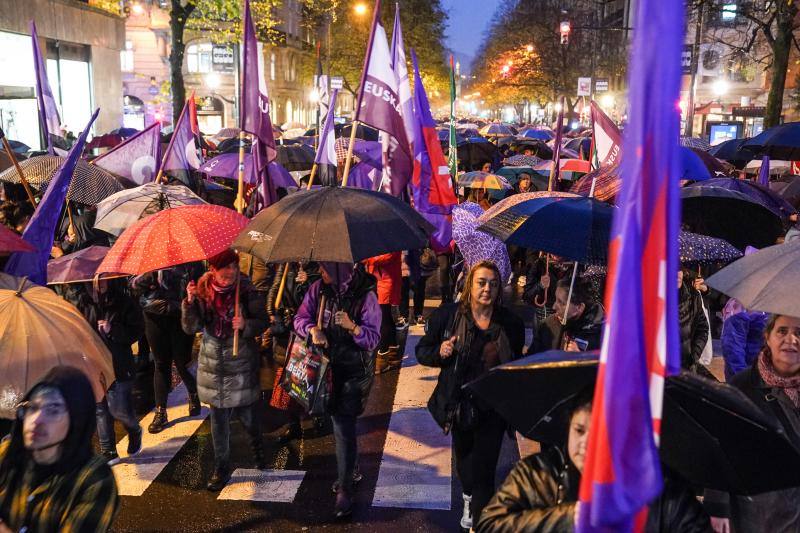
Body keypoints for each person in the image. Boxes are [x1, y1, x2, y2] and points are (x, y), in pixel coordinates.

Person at [477, 388, 712, 532]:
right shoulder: (536, 473)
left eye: (600, 433)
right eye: (579, 430)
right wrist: (570, 518)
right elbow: (489, 524)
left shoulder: (663, 490)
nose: (586, 443)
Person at [416, 260, 525, 530]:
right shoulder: (448, 316)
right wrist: (440, 353)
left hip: (494, 407)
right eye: (481, 282)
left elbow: (516, 360)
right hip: (459, 405)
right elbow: (422, 350)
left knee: (485, 472)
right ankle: (468, 496)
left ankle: (479, 521)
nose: (487, 288)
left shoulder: (510, 323)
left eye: (493, 284)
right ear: (469, 285)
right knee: (465, 465)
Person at [294, 262, 381, 519]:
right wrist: (313, 330)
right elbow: (300, 318)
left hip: (354, 371)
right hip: (328, 370)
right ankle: (351, 469)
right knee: (340, 424)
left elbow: (373, 339)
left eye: (325, 268)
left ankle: (344, 489)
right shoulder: (319, 290)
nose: (320, 272)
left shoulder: (367, 296)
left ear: (342, 269)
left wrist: (353, 327)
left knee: (343, 425)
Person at [181, 249, 269, 491]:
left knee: (248, 417)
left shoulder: (247, 289)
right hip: (213, 365)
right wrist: (189, 303)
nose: (230, 272)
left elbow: (263, 322)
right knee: (218, 420)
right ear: (212, 268)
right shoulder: (201, 290)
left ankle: (258, 448)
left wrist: (246, 325)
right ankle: (222, 467)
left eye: (233, 266)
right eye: (224, 267)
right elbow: (192, 328)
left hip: (240, 364)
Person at [706, 314, 800, 533]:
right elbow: (720, 447)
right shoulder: (742, 386)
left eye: (798, 333)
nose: (791, 339)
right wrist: (717, 507)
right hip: (756, 513)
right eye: (782, 331)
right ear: (767, 337)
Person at [0, 366, 119, 532]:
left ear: (77, 418)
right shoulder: (7, 453)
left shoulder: (95, 479)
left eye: (53, 410)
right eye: (32, 407)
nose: (36, 420)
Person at [76, 278, 144, 465]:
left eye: (103, 278)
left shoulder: (123, 301)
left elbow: (136, 331)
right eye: (95, 280)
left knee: (118, 409)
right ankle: (108, 451)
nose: (100, 283)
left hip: (119, 365)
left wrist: (112, 329)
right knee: (101, 409)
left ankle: (134, 429)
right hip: (95, 365)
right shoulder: (84, 302)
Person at [131, 263, 202, 433]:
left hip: (180, 315)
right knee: (161, 364)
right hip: (153, 315)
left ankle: (193, 393)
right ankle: (161, 412)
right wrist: (149, 275)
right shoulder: (147, 260)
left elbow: (201, 287)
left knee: (182, 362)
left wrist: (193, 295)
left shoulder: (191, 261)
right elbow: (132, 286)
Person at [265, 261, 322, 444]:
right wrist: (271, 311)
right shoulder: (287, 264)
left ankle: (317, 415)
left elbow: (323, 296)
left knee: (312, 376)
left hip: (309, 329)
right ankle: (293, 424)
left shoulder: (318, 267)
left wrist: (309, 281)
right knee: (289, 379)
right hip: (288, 329)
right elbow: (276, 286)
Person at [532, 277, 604, 354]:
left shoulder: (602, 334)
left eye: (561, 303)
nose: (554, 307)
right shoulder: (547, 325)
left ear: (579, 307)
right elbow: (530, 358)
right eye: (556, 299)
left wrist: (581, 359)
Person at [365, 252, 403, 373]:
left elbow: (388, 256)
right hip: (379, 279)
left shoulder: (392, 237)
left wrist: (368, 258)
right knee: (386, 316)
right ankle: (392, 350)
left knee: (382, 318)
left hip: (385, 281)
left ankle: (382, 359)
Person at [721, 309, 768, 381]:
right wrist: (743, 378)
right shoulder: (739, 309)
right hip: (748, 375)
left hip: (766, 375)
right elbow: (732, 349)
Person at [678, 270, 710, 373]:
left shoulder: (693, 296)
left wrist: (695, 354)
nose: (677, 273)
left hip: (687, 368)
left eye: (679, 269)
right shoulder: (651, 297)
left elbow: (702, 327)